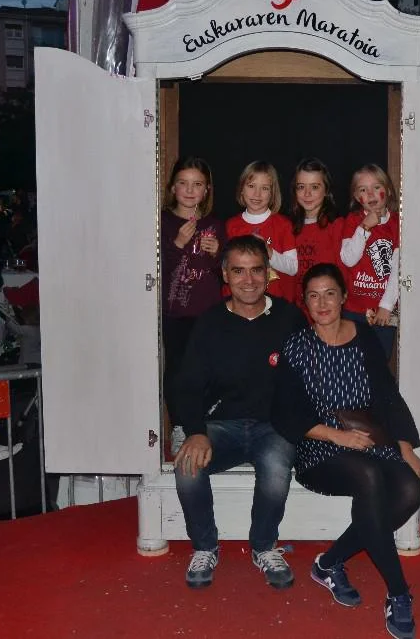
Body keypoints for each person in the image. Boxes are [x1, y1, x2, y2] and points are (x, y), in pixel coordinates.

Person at [273, 263, 420, 639]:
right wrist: (336, 436)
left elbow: (387, 394)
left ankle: (329, 562)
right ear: (305, 302)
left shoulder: (363, 336)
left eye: (329, 293)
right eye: (313, 296)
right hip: (319, 448)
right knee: (369, 477)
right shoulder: (297, 346)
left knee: (410, 490)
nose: (322, 303)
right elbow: (285, 413)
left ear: (343, 297)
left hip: (369, 439)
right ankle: (399, 593)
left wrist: (406, 445)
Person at [173, 235, 307, 590]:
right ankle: (205, 547)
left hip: (273, 427)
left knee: (276, 469)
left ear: (268, 273)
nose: (249, 280)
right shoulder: (209, 323)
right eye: (238, 271)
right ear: (225, 275)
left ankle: (263, 546)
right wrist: (196, 431)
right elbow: (187, 385)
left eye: (256, 270)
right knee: (187, 466)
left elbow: (308, 379)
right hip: (221, 426)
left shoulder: (290, 318)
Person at [161, 157, 225, 425]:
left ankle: (203, 426)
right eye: (183, 183)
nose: (189, 190)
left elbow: (222, 273)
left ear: (206, 190)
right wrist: (178, 243)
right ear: (172, 187)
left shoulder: (214, 225)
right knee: (177, 372)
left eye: (197, 184)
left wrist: (217, 254)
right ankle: (179, 425)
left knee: (208, 370)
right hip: (175, 313)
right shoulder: (162, 221)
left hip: (208, 312)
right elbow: (157, 269)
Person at [340, 164, 401, 356]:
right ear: (356, 196)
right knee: (351, 359)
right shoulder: (352, 220)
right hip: (354, 309)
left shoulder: (397, 224)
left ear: (388, 190)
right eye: (363, 190)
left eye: (376, 187)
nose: (371, 194)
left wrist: (386, 306)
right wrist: (364, 228)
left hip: (383, 310)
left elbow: (398, 269)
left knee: (378, 360)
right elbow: (348, 259)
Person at [225, 161, 298, 301]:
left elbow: (293, 268)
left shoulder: (283, 225)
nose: (257, 194)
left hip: (277, 301)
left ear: (272, 193)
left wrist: (269, 252)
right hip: (241, 301)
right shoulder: (231, 225)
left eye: (264, 188)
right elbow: (227, 268)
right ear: (241, 189)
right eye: (251, 186)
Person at [290, 158, 343, 310]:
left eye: (314, 187)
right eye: (301, 187)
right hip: (298, 309)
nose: (307, 194)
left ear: (326, 190)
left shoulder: (337, 226)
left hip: (326, 308)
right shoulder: (289, 227)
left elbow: (343, 274)